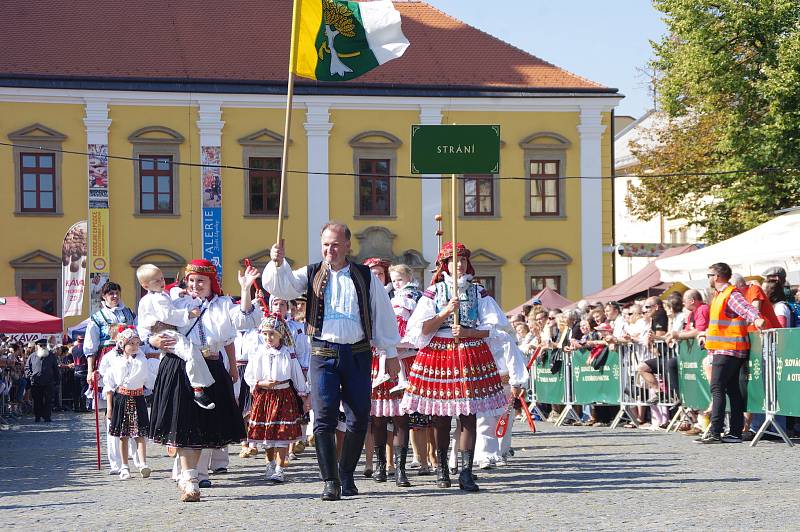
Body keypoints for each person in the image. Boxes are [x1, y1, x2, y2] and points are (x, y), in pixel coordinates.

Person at [265, 222, 401, 501]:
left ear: (348, 245)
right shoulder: (312, 272)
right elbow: (284, 287)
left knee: (359, 417)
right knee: (324, 418)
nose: (330, 249)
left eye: (336, 244)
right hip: (323, 354)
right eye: (326, 244)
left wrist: (391, 353)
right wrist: (277, 263)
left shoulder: (364, 276)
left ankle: (346, 473)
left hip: (358, 354)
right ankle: (330, 481)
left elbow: (383, 313)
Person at [147, 259, 260, 502]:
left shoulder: (222, 305)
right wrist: (154, 340)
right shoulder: (175, 301)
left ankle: (194, 475)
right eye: (191, 280)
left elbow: (246, 321)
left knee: (203, 426)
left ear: (211, 282)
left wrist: (245, 290)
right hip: (178, 366)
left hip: (210, 365)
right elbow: (150, 326)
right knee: (184, 423)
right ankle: (190, 481)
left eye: (201, 280)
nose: (195, 285)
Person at [401, 241, 508, 493]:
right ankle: (441, 469)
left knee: (469, 415)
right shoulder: (434, 292)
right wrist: (445, 313)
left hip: (470, 353)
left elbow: (494, 328)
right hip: (439, 354)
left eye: (461, 260)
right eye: (452, 260)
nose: (458, 265)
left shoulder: (478, 292)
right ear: (445, 265)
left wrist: (469, 330)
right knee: (440, 416)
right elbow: (420, 329)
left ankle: (467, 472)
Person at [695, 262, 765, 444]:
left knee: (717, 388)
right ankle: (734, 432)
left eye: (709, 274)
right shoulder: (720, 295)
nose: (708, 278)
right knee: (732, 390)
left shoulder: (729, 293)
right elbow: (719, 323)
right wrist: (705, 335)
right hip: (728, 349)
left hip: (729, 349)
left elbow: (746, 307)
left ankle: (715, 432)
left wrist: (757, 318)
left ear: (716, 276)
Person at [136, 264, 216, 410]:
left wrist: (182, 293)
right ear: (145, 285)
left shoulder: (159, 295)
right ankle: (198, 389)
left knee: (192, 354)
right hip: (166, 333)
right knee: (191, 353)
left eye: (162, 278)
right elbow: (168, 315)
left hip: (168, 333)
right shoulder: (154, 299)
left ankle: (200, 386)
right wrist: (188, 314)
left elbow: (172, 294)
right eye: (156, 281)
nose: (161, 282)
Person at [244, 313, 310, 483]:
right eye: (265, 334)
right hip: (265, 396)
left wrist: (304, 396)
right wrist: (261, 383)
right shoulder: (259, 352)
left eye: (272, 333)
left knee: (282, 434)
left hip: (283, 395)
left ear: (280, 334)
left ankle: (280, 468)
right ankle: (270, 463)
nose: (268, 337)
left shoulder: (288, 353)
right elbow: (249, 375)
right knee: (268, 433)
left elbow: (296, 375)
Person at [104, 327, 156, 480]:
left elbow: (149, 380)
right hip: (122, 398)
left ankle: (143, 463)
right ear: (123, 345)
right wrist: (109, 406)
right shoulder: (116, 362)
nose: (134, 346)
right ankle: (124, 466)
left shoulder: (143, 361)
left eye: (136, 343)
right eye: (131, 343)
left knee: (139, 434)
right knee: (123, 435)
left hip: (138, 398)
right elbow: (109, 386)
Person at [84, 281, 136, 388]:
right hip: (108, 357)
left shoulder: (129, 313)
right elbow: (91, 345)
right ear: (104, 296)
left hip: (129, 355)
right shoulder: (97, 317)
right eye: (111, 293)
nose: (115, 296)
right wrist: (90, 371)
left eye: (117, 293)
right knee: (108, 389)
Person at [25, 339, 59, 422]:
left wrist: (57, 380)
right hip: (36, 382)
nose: (43, 347)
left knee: (48, 400)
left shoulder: (51, 355)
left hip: (48, 382)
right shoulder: (32, 356)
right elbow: (27, 368)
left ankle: (47, 416)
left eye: (44, 345)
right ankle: (37, 416)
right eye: (41, 345)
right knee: (37, 400)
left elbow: (55, 369)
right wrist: (31, 376)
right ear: (37, 346)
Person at [69, 335, 88, 412]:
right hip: (84, 371)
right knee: (83, 390)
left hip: (76, 371)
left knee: (76, 390)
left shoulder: (73, 348)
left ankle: (76, 407)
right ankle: (83, 407)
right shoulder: (85, 349)